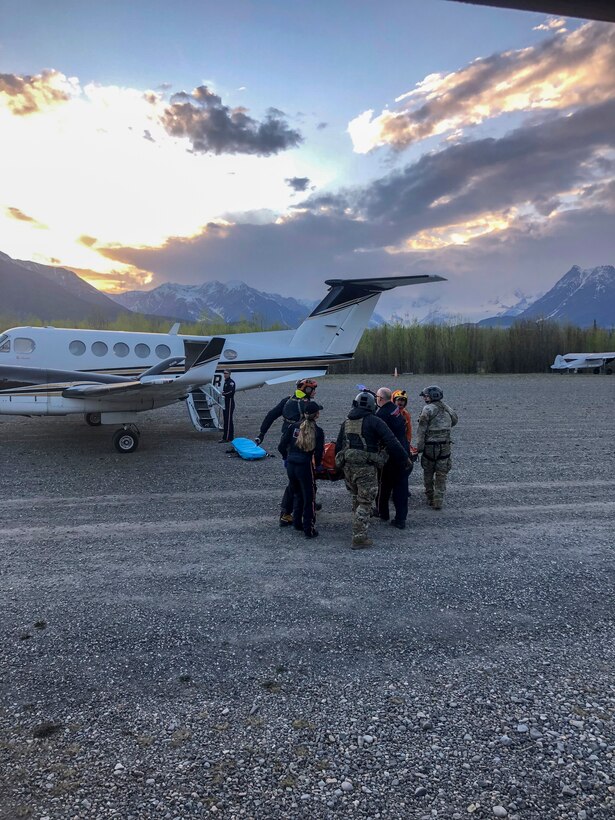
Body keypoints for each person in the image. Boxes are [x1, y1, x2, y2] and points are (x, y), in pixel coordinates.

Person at [335, 391, 411, 549]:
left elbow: (338, 446)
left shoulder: (346, 422)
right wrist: (405, 459)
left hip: (348, 467)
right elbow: (391, 441)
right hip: (366, 468)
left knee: (356, 496)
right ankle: (359, 537)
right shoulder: (374, 421)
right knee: (365, 501)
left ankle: (358, 524)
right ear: (371, 405)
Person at [254, 378, 320, 526]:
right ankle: (286, 513)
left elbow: (271, 415)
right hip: (300, 444)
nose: (315, 391)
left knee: (300, 476)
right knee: (299, 477)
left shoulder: (287, 400)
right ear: (306, 390)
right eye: (313, 389)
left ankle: (308, 501)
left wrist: (261, 434)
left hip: (288, 443)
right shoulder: (307, 405)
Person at [278, 400, 324, 538]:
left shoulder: (293, 427)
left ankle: (297, 523)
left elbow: (281, 446)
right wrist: (318, 466)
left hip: (291, 465)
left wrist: (286, 457)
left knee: (297, 494)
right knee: (309, 498)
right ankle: (309, 530)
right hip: (305, 465)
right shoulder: (318, 431)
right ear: (317, 415)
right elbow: (319, 452)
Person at [415, 385, 458, 510]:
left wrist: (419, 448)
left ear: (430, 397)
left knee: (428, 471)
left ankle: (430, 496)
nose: (424, 398)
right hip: (445, 446)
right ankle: (438, 500)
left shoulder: (427, 409)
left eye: (426, 396)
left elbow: (421, 430)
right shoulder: (447, 408)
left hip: (430, 447)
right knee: (441, 473)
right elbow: (455, 420)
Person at [375, 387, 410, 529]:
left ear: (380, 399)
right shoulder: (396, 411)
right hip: (403, 452)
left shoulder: (381, 414)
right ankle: (401, 519)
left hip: (390, 456)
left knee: (384, 485)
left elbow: (379, 436)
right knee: (401, 487)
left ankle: (383, 513)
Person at [219, 369, 236, 442]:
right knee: (226, 420)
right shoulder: (226, 382)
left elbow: (231, 392)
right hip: (226, 402)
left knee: (228, 421)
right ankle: (229, 436)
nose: (225, 374)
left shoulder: (231, 382)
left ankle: (227, 438)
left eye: (226, 373)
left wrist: (223, 394)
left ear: (229, 374)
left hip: (229, 402)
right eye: (224, 373)